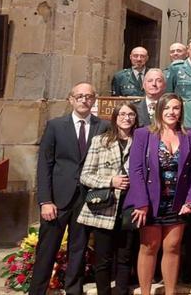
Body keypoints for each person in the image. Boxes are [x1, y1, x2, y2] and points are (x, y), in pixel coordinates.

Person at [31, 83, 110, 295]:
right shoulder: (56, 125)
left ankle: (73, 290)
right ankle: (37, 290)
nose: (84, 100)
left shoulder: (102, 126)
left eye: (89, 97)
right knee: (47, 249)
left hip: (86, 199)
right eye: (80, 96)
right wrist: (45, 200)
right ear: (71, 100)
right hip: (57, 199)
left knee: (79, 249)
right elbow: (44, 165)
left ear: (94, 101)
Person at [126, 94, 191, 295]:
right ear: (159, 110)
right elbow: (136, 170)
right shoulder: (144, 134)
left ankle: (170, 292)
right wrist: (141, 202)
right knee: (149, 247)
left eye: (176, 108)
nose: (171, 112)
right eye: (167, 108)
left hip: (177, 201)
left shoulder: (189, 135)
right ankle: (145, 292)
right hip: (151, 201)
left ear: (181, 112)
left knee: (173, 247)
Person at [78, 102, 139, 295]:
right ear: (114, 117)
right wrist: (110, 181)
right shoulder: (100, 141)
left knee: (125, 256)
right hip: (105, 207)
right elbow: (85, 175)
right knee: (103, 258)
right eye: (122, 114)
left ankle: (121, 291)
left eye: (131, 114)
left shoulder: (141, 141)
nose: (126, 118)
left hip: (130, 206)